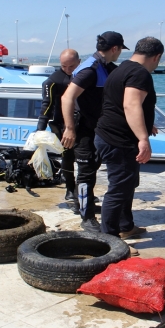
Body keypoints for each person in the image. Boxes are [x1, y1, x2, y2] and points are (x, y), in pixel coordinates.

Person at [95, 37, 164, 256]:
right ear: (156, 57)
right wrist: (143, 138)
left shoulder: (121, 68)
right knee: (118, 189)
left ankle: (125, 226)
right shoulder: (140, 73)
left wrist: (145, 124)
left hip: (109, 135)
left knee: (127, 183)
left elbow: (120, 103)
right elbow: (130, 104)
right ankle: (110, 240)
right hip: (118, 140)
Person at [60, 31, 128, 232]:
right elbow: (67, 98)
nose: (119, 55)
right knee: (86, 173)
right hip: (83, 131)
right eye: (119, 50)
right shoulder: (90, 69)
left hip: (98, 129)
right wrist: (70, 129)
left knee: (94, 170)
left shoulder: (106, 67)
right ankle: (86, 217)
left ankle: (87, 205)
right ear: (114, 49)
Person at [37, 49, 81, 207]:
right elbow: (46, 106)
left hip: (83, 122)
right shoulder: (53, 81)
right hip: (62, 124)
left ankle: (83, 189)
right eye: (64, 66)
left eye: (72, 66)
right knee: (68, 157)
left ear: (79, 62)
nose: (68, 69)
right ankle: (70, 189)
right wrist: (40, 130)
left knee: (87, 158)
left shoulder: (84, 76)